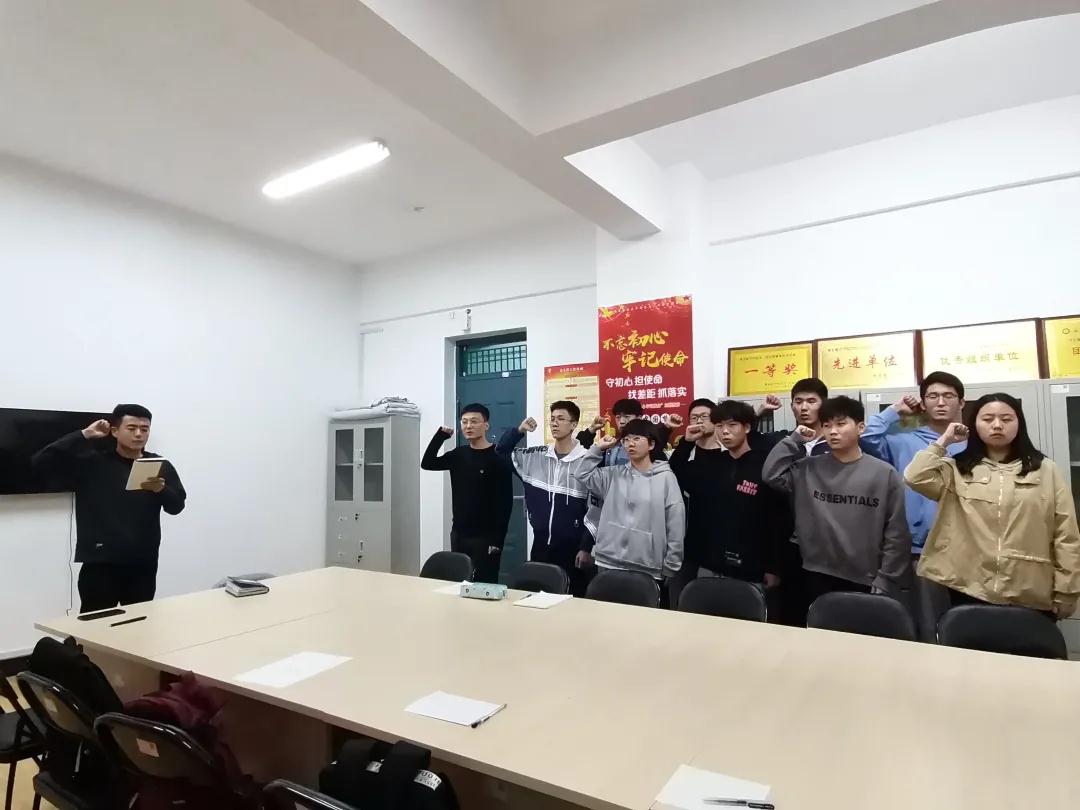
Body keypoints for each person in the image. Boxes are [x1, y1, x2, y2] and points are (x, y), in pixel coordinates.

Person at [905, 393, 1080, 619]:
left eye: (1006, 419)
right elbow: (915, 476)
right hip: (968, 585)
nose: (997, 425)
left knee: (1028, 642)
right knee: (971, 641)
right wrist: (944, 441)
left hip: (1030, 587)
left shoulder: (1046, 470)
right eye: (987, 419)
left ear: (1019, 423)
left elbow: (1066, 533)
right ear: (974, 425)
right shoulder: (957, 469)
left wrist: (1067, 588)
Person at [32, 404, 186, 613]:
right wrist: (84, 434)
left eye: (144, 429)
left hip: (142, 563)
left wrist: (161, 489)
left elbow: (176, 506)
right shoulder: (93, 463)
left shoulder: (159, 465)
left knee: (139, 622)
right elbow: (40, 461)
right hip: (101, 562)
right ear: (115, 431)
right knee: (96, 624)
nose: (139, 434)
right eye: (131, 428)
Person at [762, 396, 911, 603]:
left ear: (860, 428)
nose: (833, 431)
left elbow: (897, 533)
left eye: (841, 424)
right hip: (815, 571)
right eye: (827, 425)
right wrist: (793, 440)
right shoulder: (808, 468)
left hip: (866, 577)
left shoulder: (884, 474)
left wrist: (886, 578)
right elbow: (771, 475)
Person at [860, 371, 966, 640]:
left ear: (961, 403)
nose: (940, 402)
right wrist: (896, 411)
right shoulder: (905, 438)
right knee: (926, 622)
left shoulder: (972, 442)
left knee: (967, 623)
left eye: (948, 396)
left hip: (967, 548)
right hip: (919, 547)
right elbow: (868, 437)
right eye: (933, 396)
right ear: (923, 402)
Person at [669, 400, 788, 614]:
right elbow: (677, 472)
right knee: (707, 619)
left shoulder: (765, 465)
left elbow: (777, 520)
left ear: (747, 427)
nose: (725, 431)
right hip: (710, 563)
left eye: (732, 425)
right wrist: (686, 443)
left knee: (748, 623)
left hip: (753, 567)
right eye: (720, 426)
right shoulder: (713, 464)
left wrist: (774, 567)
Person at [496, 401, 594, 596]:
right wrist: (518, 431)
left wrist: (586, 547)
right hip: (540, 544)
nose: (554, 423)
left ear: (574, 425)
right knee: (539, 597)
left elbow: (595, 511)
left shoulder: (588, 461)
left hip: (574, 549)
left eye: (561, 419)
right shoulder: (536, 457)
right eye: (552, 419)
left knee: (573, 600)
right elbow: (501, 451)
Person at [573, 419, 684, 591]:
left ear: (651, 444)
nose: (630, 443)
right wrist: (597, 448)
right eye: (626, 439)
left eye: (637, 438)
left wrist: (671, 564)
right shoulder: (613, 474)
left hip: (648, 566)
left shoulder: (666, 478)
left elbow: (675, 522)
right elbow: (582, 474)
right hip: (608, 561)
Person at [421, 403, 513, 583]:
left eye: (474, 421)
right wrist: (440, 437)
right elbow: (427, 463)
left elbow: (505, 503)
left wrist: (497, 541)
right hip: (459, 534)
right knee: (459, 583)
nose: (468, 426)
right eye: (464, 422)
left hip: (486, 537)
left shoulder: (498, 457)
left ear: (486, 425)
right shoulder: (458, 455)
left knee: (484, 584)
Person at [576, 398, 677, 465]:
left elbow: (657, 440)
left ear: (639, 418)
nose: (622, 421)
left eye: (627, 416)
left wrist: (667, 428)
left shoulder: (650, 446)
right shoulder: (611, 446)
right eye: (618, 417)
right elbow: (578, 454)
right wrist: (591, 430)